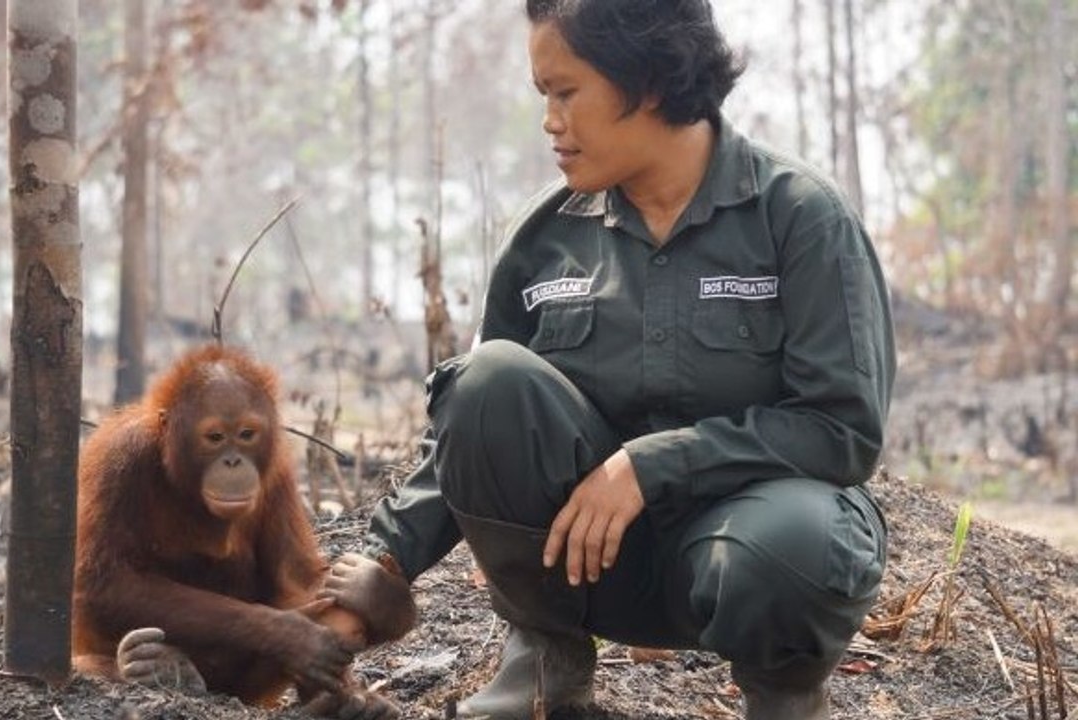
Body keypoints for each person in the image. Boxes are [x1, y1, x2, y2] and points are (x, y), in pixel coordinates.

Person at [321, 1, 894, 718]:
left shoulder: (801, 218)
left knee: (799, 538)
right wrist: (383, 567)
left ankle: (783, 699)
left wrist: (650, 465)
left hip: (744, 556)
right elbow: (471, 432)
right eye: (543, 96)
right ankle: (544, 669)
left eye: (566, 93)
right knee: (487, 380)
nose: (549, 122)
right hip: (588, 564)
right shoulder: (540, 238)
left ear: (648, 82)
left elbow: (842, 430)